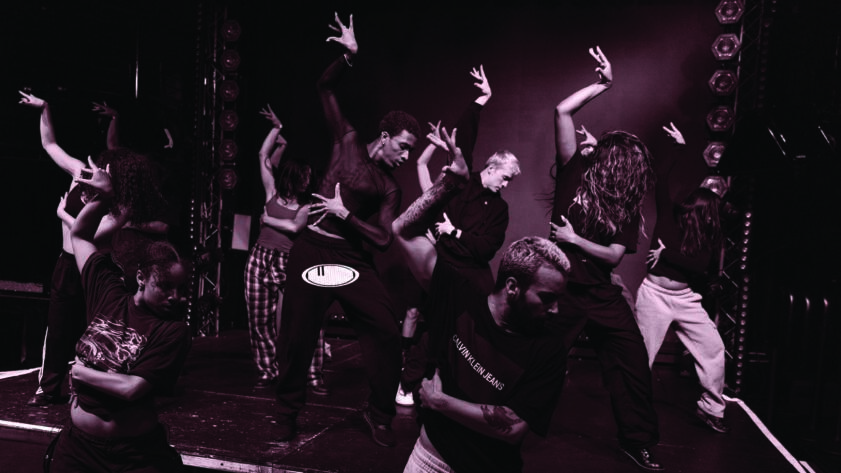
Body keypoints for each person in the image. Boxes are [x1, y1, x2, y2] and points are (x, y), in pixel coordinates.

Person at [273, 12, 420, 447]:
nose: (406, 157)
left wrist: (345, 214)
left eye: (411, 152)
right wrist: (348, 56)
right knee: (297, 337)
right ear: (386, 135)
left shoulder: (390, 187)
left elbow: (383, 239)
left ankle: (379, 413)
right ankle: (286, 414)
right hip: (313, 251)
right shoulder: (348, 140)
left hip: (352, 261)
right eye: (403, 147)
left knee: (386, 329)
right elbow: (325, 87)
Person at [393, 127, 570, 473]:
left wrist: (441, 402)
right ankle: (403, 385)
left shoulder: (549, 351)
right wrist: (449, 184)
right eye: (547, 297)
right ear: (513, 288)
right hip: (428, 458)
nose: (555, 309)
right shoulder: (461, 300)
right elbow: (402, 229)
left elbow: (513, 428)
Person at [545, 47, 662, 471]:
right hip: (558, 289)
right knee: (536, 357)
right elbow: (562, 111)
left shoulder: (626, 205)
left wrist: (574, 239)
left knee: (631, 364)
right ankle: (503, 420)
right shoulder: (573, 172)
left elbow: (613, 257)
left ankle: (638, 441)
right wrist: (604, 85)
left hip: (600, 291)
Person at [45, 157, 191, 472]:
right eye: (165, 286)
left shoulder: (172, 331)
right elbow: (80, 236)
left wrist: (80, 372)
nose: (175, 297)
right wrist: (104, 197)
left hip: (132, 455)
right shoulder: (108, 293)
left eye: (182, 289)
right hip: (78, 447)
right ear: (141, 278)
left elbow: (131, 388)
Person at [18, 91, 155, 407]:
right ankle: (48, 387)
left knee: (95, 328)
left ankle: (92, 387)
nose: (100, 168)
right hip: (67, 264)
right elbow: (50, 145)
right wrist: (45, 108)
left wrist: (62, 214)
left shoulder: (122, 207)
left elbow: (88, 234)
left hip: (96, 268)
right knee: (57, 327)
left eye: (108, 170)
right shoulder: (79, 173)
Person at [397, 65, 521, 406]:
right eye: (505, 177)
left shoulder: (500, 209)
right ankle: (407, 385)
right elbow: (463, 141)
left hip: (476, 275)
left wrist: (457, 232)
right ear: (492, 168)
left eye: (510, 181)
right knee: (439, 326)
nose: (505, 185)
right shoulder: (463, 184)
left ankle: (469, 386)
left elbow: (486, 249)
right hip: (446, 267)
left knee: (481, 328)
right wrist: (481, 99)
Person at [634, 122, 729, 433]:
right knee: (642, 356)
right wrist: (679, 148)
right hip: (654, 296)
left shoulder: (705, 238)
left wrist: (667, 255)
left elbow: (699, 268)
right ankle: (632, 404)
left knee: (712, 347)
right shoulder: (669, 216)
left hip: (685, 299)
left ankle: (711, 408)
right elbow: (661, 180)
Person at [244, 105, 328, 394]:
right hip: (260, 258)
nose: (307, 181)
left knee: (302, 319)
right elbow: (262, 156)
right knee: (259, 319)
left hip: (289, 260)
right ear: (293, 176)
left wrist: (267, 219)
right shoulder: (272, 192)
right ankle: (268, 371)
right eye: (304, 176)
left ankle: (312, 374)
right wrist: (277, 128)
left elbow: (294, 228)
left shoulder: (306, 205)